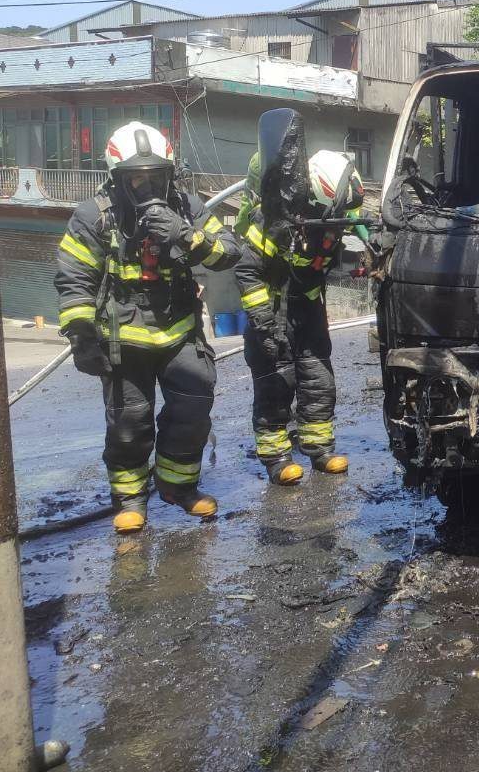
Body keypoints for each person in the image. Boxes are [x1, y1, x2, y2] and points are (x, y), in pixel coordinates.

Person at [54, 121, 241, 533]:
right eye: (137, 178)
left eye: (156, 176)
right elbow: (74, 278)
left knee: (193, 409)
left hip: (179, 331)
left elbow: (228, 252)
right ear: (117, 178)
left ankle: (179, 487)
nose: (147, 186)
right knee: (128, 422)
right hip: (125, 339)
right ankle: (131, 499)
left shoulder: (188, 207)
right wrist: (81, 333)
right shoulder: (94, 216)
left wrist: (186, 236)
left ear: (169, 174)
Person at [235, 108, 366, 485]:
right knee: (276, 384)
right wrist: (262, 321)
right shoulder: (277, 222)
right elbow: (247, 269)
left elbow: (332, 253)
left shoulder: (330, 218)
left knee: (317, 379)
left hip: (307, 306)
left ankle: (320, 450)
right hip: (273, 313)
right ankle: (277, 458)